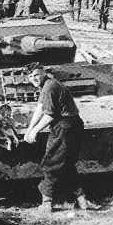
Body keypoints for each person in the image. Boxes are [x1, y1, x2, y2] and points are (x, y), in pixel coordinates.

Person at [24, 64, 91, 213]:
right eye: (30, 76)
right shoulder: (49, 84)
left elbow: (50, 114)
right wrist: (29, 129)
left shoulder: (49, 87)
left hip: (64, 127)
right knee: (66, 165)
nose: (34, 79)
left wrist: (34, 131)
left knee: (52, 163)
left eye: (36, 75)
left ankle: (47, 202)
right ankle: (82, 200)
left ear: (43, 72)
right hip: (71, 125)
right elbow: (40, 107)